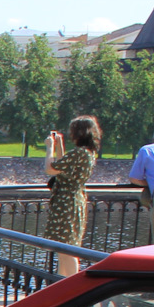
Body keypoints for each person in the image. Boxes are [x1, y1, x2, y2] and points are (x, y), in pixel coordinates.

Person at [43, 115, 100, 274]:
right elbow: (64, 166)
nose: (70, 133)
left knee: (67, 249)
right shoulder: (87, 153)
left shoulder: (79, 153)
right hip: (75, 200)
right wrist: (60, 145)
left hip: (66, 203)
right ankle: (62, 283)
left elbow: (51, 169)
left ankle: (70, 285)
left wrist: (49, 147)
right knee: (66, 247)